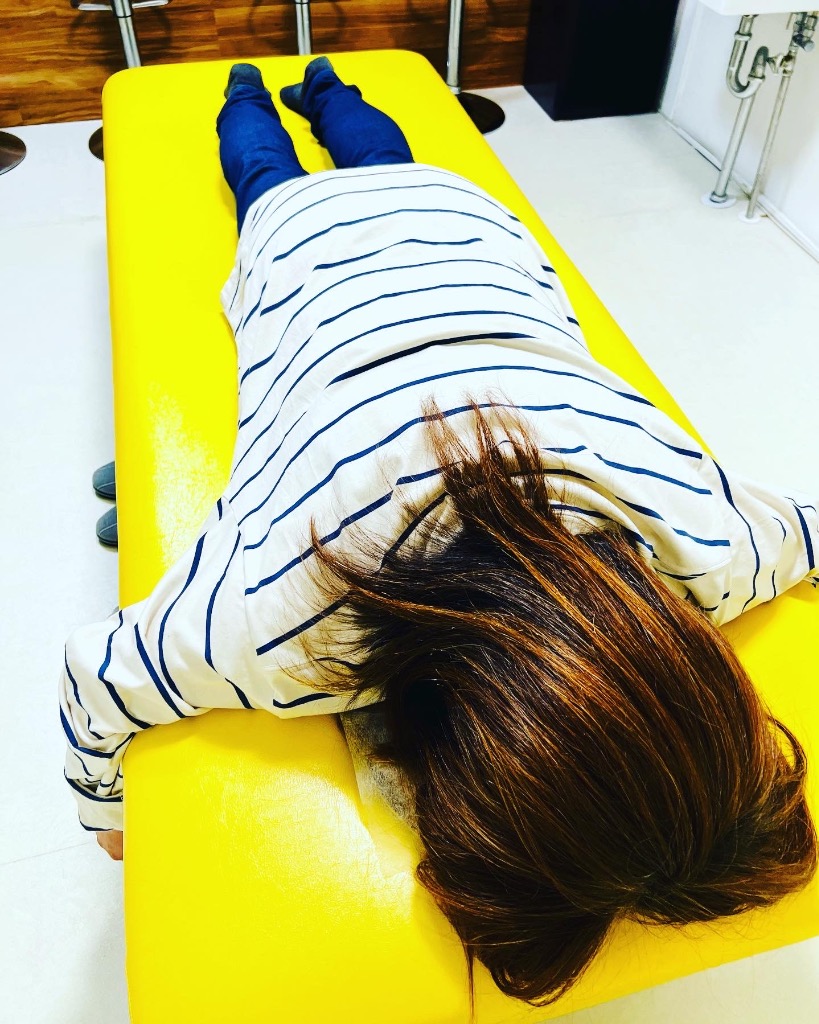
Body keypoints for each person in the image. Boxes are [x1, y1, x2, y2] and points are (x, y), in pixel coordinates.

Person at [60, 59, 818, 1006]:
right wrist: (111, 817)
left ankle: (320, 90)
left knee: (382, 160)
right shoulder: (288, 631)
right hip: (309, 264)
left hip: (463, 237)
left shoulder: (710, 549)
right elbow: (98, 677)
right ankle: (245, 94)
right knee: (265, 179)